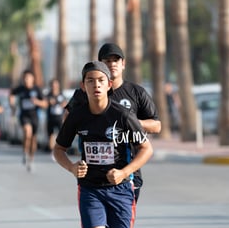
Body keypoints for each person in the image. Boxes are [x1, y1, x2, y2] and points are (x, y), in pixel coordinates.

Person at [52, 61, 153, 228]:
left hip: (121, 190)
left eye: (100, 80)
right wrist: (72, 167)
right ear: (83, 86)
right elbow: (58, 149)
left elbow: (146, 149)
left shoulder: (123, 115)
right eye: (90, 81)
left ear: (109, 85)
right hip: (90, 189)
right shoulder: (77, 116)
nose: (96, 85)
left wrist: (124, 173)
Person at [64, 43, 161, 202]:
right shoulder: (85, 93)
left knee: (120, 226)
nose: (112, 64)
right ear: (100, 65)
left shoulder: (136, 92)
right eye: (107, 61)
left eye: (116, 60)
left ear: (123, 64)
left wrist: (130, 123)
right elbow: (67, 119)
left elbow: (157, 126)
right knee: (97, 224)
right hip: (92, 176)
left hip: (127, 173)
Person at [9, 70, 47, 172]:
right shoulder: (20, 89)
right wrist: (12, 105)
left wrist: (37, 102)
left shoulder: (37, 90)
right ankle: (25, 153)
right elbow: (11, 93)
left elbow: (45, 104)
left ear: (32, 79)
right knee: (27, 132)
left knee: (33, 139)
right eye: (25, 78)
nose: (26, 80)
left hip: (34, 116)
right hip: (23, 116)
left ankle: (31, 158)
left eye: (28, 78)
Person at [45, 78, 67, 151]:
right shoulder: (48, 95)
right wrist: (49, 102)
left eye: (56, 85)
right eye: (53, 85)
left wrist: (63, 105)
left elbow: (65, 104)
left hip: (59, 118)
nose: (54, 86)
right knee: (51, 135)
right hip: (51, 118)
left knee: (61, 136)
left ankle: (59, 150)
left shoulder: (61, 94)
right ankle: (52, 151)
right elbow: (45, 104)